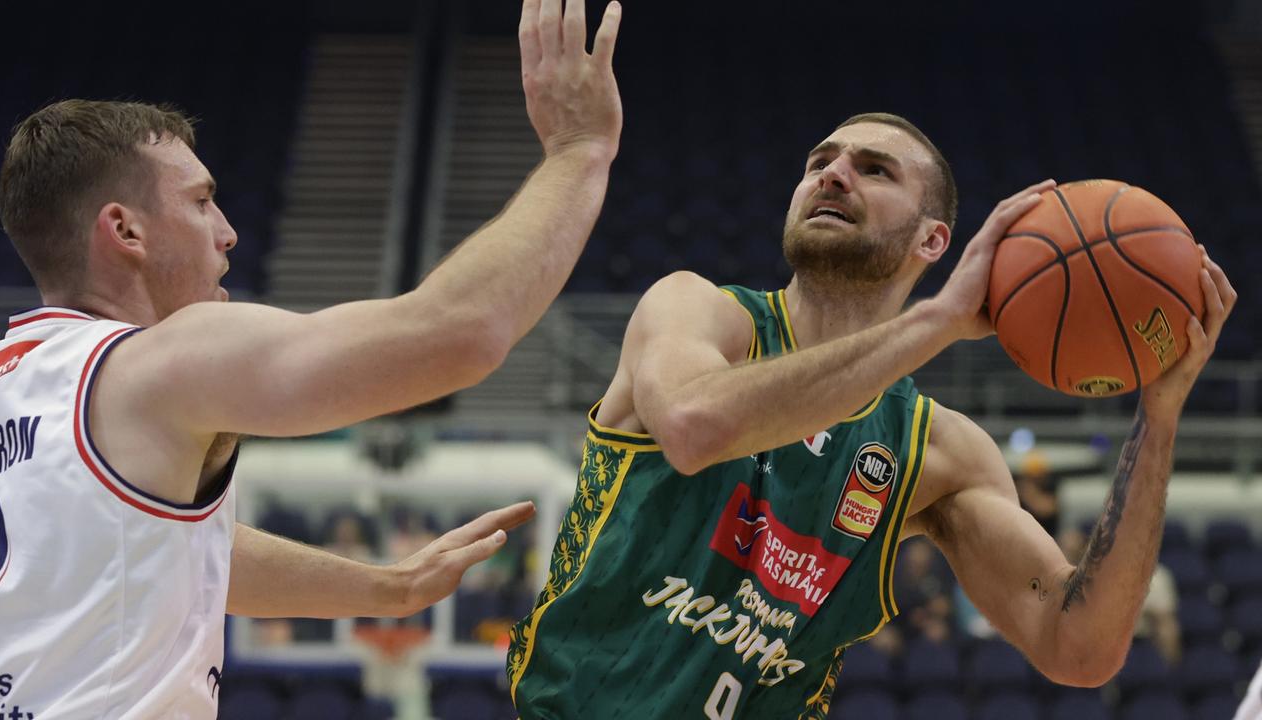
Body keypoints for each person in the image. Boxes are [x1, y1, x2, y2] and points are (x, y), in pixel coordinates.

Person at [0, 0, 622, 716]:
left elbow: (173, 555)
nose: (226, 233)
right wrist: (579, 151)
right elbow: (458, 333)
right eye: (199, 203)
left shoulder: (3, 387)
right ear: (125, 230)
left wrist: (388, 589)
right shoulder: (158, 362)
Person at [506, 113, 1236, 718]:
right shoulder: (700, 312)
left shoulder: (937, 452)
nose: (832, 173)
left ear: (933, 240)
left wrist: (1160, 418)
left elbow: (1080, 649)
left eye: (873, 169)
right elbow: (699, 429)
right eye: (820, 161)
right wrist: (940, 321)